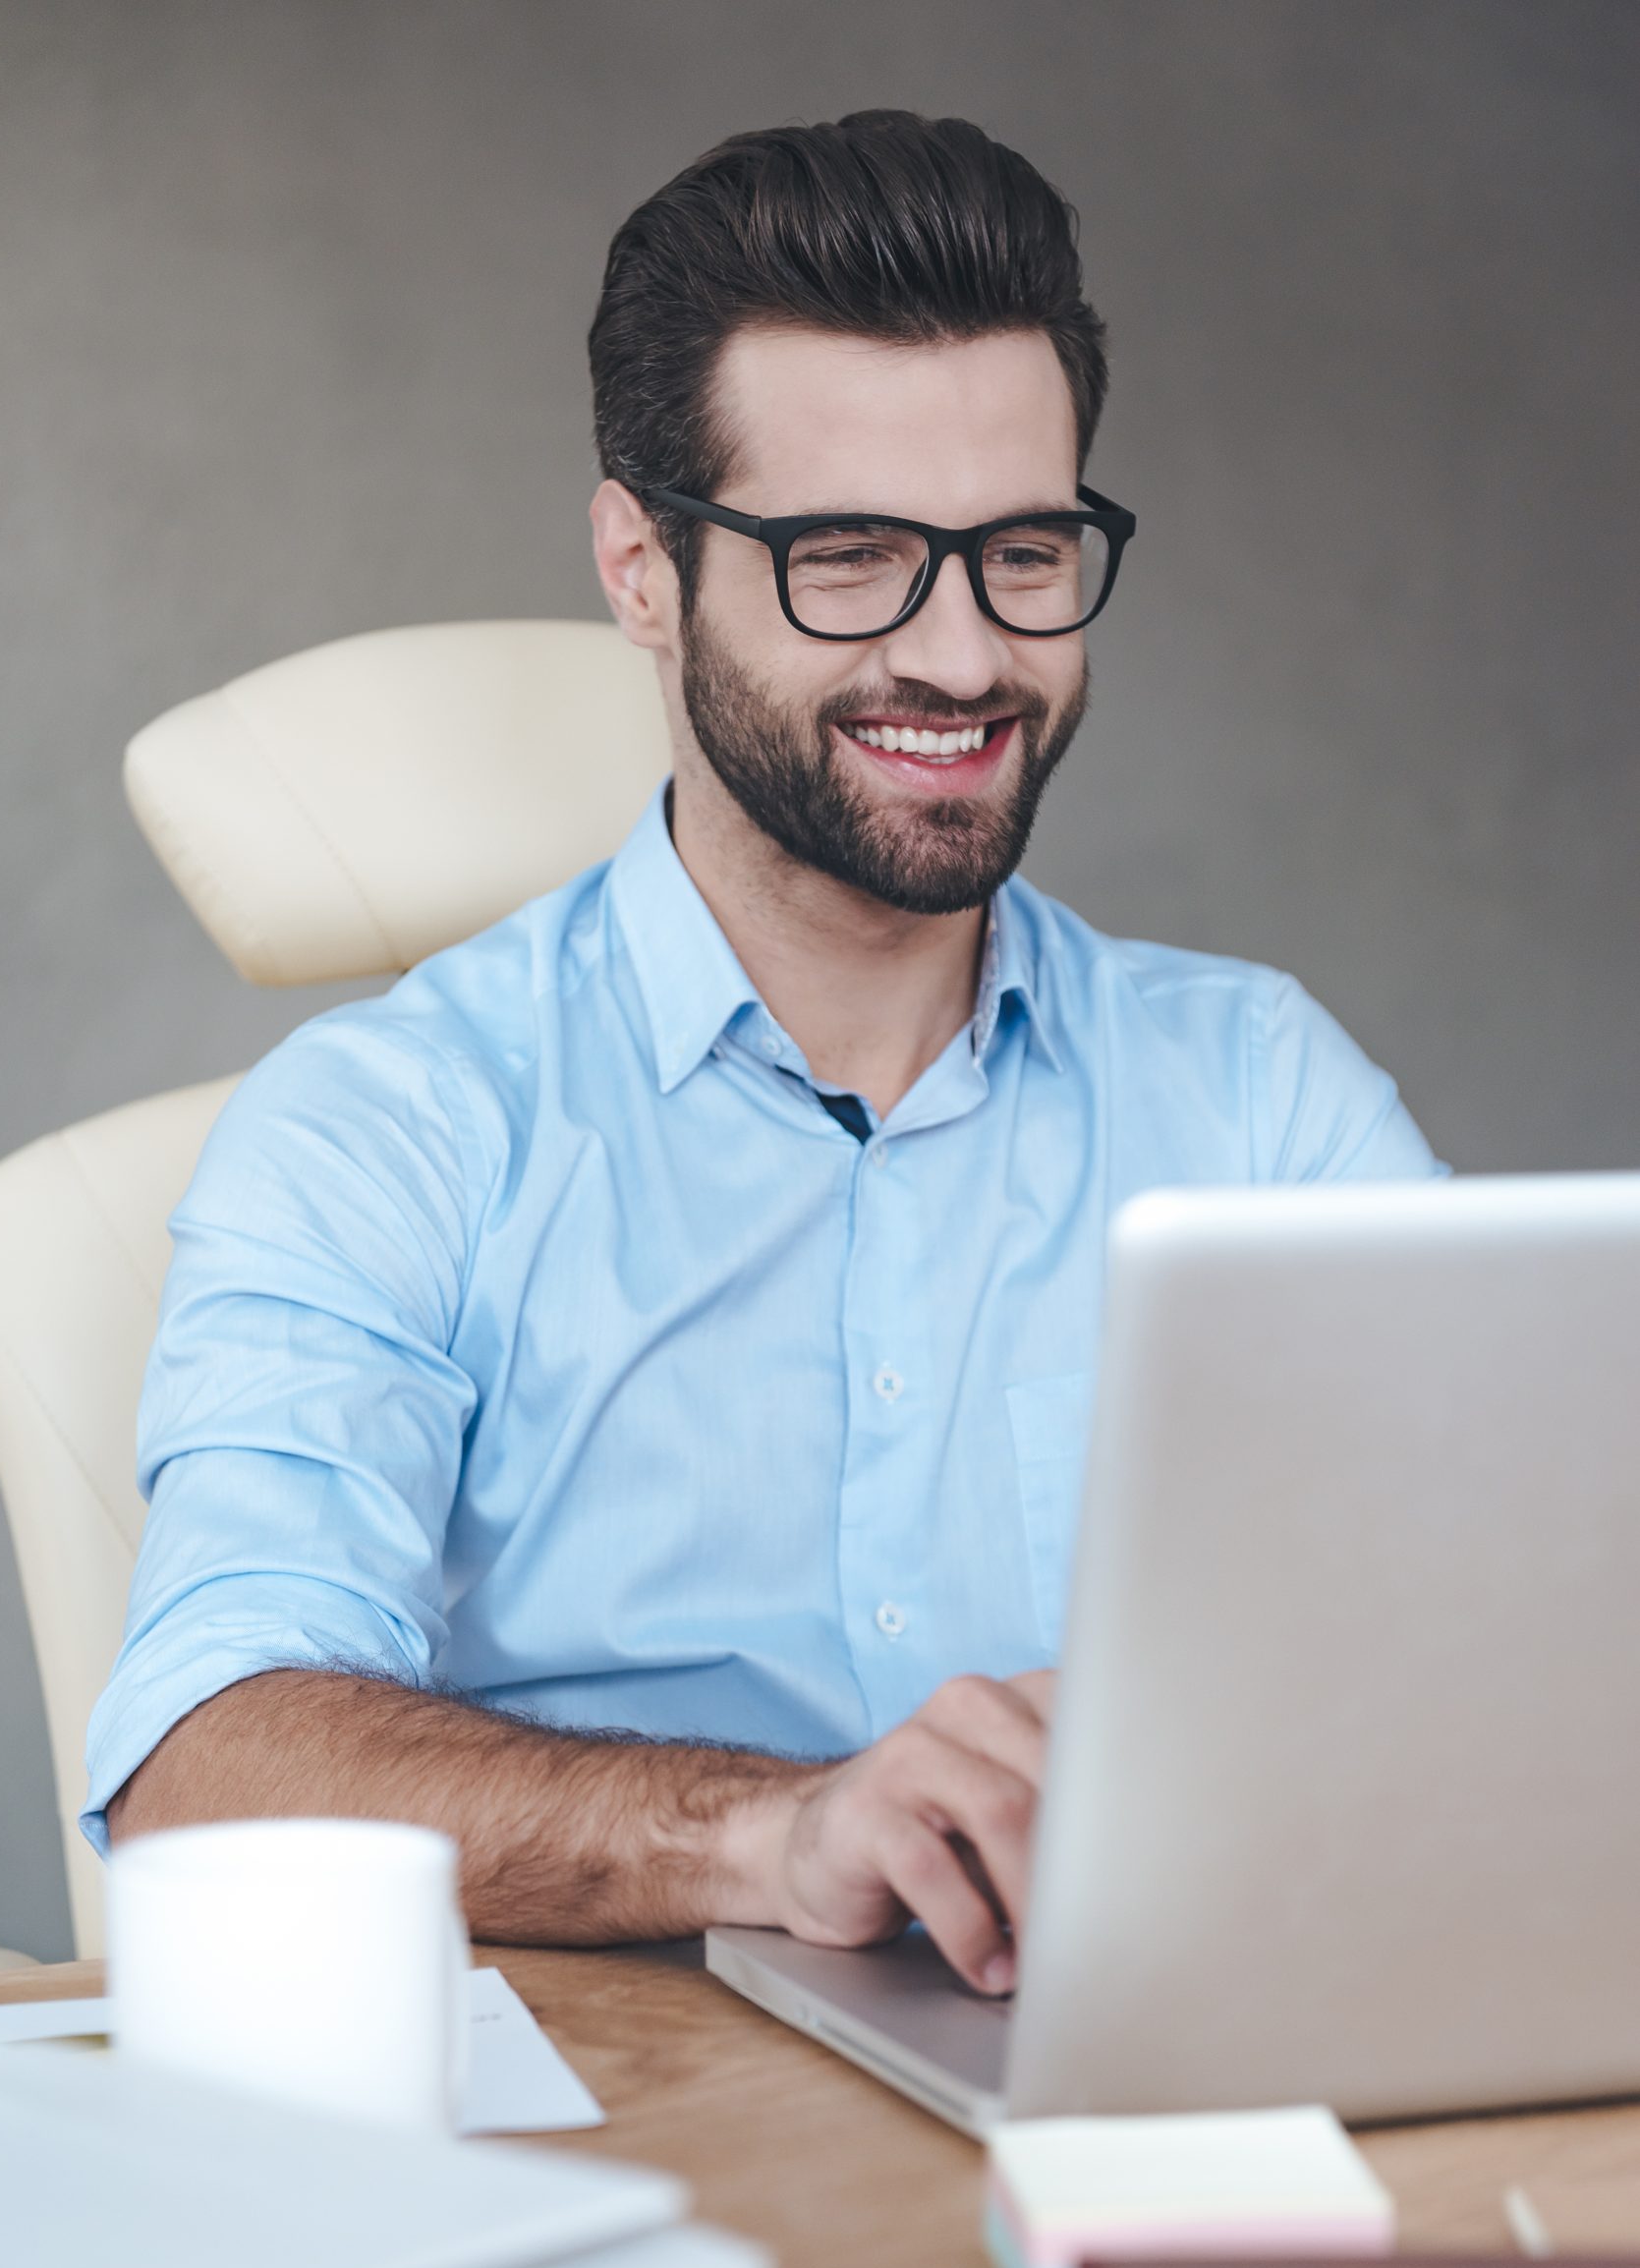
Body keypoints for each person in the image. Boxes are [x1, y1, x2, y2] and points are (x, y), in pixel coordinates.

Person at [92, 109, 1444, 1995]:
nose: (964, 658)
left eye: (1023, 552)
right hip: (618, 2148)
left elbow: (1506, 1653)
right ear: (640, 568)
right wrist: (779, 1830)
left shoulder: (1261, 1098)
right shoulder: (387, 1128)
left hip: (1138, 2075)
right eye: (853, 557)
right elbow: (205, 1771)